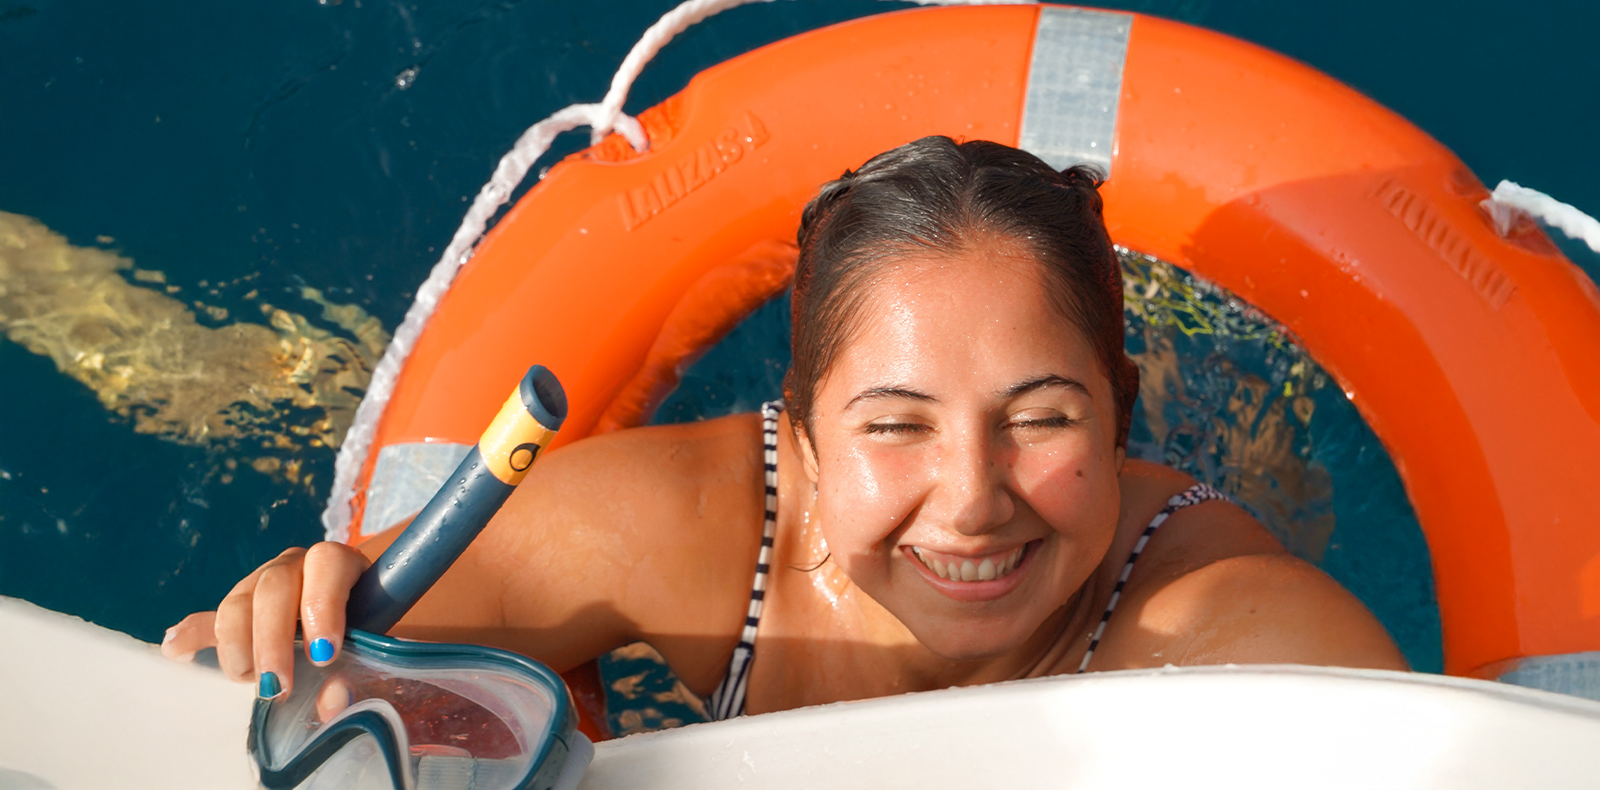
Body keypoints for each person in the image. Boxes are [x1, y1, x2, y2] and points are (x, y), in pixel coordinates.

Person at [163, 136, 1405, 715]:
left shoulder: (1224, 633)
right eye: (895, 426)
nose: (969, 496)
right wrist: (300, 606)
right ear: (802, 432)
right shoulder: (673, 531)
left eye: (1039, 417)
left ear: (1118, 414)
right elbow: (327, 674)